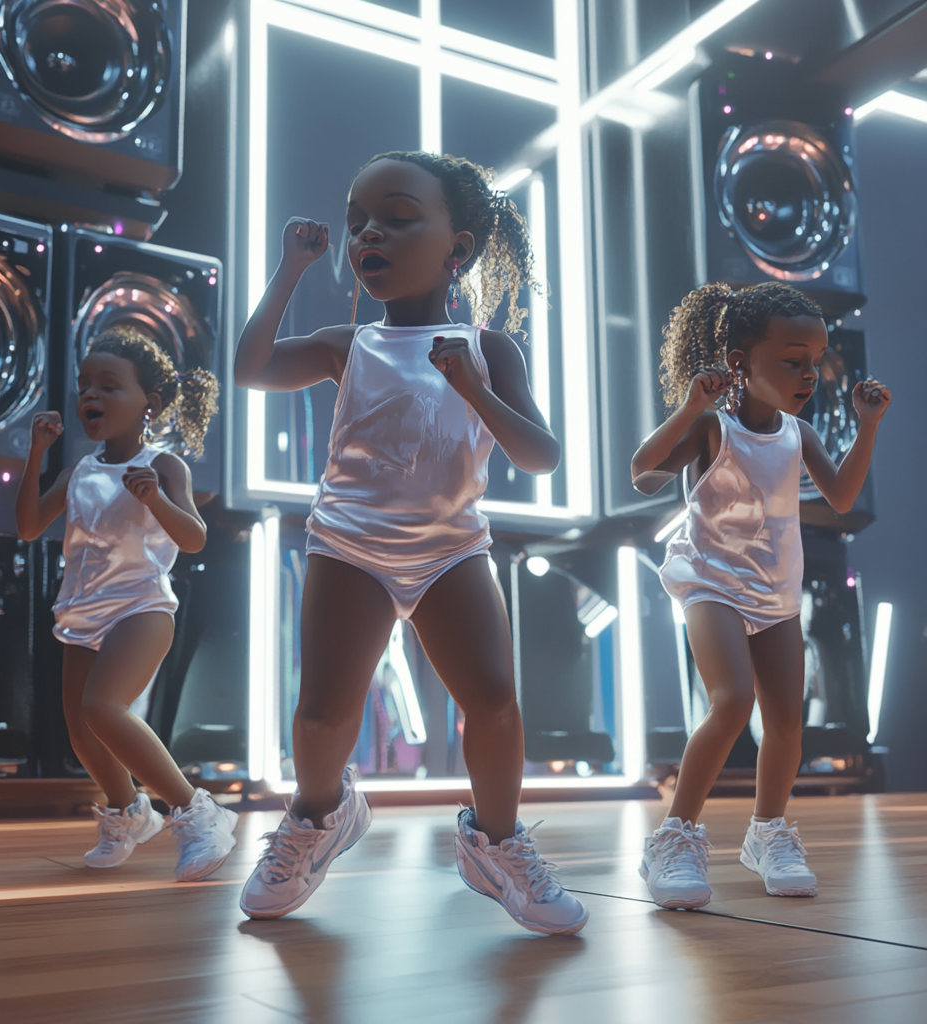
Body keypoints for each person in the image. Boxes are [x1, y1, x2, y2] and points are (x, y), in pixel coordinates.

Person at [233, 151, 587, 935]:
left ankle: (495, 845)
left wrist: (474, 388)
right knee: (322, 719)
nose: (368, 233)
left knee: (493, 706)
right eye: (359, 220)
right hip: (350, 545)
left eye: (396, 217)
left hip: (453, 550)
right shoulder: (346, 343)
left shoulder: (489, 350)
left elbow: (541, 455)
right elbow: (250, 368)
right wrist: (292, 268)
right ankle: (320, 817)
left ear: (456, 249)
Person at [631, 282, 891, 909]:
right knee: (731, 702)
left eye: (815, 361)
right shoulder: (713, 428)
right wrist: (689, 409)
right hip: (711, 580)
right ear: (742, 360)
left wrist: (868, 426)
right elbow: (643, 473)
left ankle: (768, 833)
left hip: (775, 587)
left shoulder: (799, 435)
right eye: (792, 359)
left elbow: (843, 496)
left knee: (786, 722)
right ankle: (673, 837)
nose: (809, 374)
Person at [16, 326, 238, 881]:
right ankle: (128, 813)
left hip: (141, 609)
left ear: (150, 406)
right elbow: (26, 527)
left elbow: (194, 539)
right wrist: (36, 453)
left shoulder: (164, 467)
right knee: (81, 730)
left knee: (102, 708)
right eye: (85, 386)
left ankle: (195, 811)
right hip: (80, 613)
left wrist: (156, 498)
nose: (90, 395)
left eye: (109, 386)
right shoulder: (78, 472)